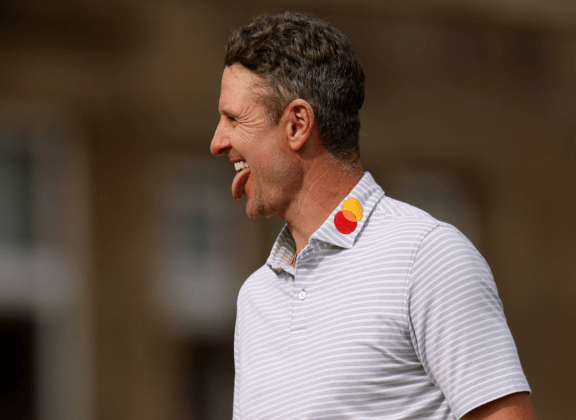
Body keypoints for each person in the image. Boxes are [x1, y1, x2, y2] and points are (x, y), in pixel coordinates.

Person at [210, 12, 534, 420]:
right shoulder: (255, 297)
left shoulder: (427, 258)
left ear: (297, 125)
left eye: (234, 119)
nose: (217, 142)